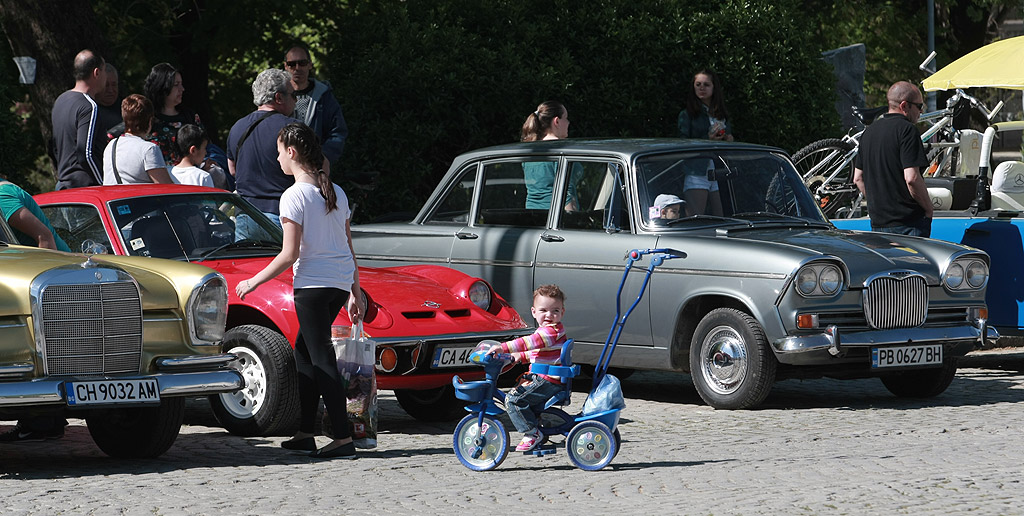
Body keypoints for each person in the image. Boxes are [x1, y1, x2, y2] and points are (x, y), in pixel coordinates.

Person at [235, 122, 364, 460]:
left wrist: (253, 282)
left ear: (291, 153)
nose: (277, 159)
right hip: (337, 284)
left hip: (313, 286)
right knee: (304, 351)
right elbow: (348, 246)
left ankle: (342, 437)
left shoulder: (294, 195)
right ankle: (305, 432)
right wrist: (355, 291)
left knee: (321, 357)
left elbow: (289, 254)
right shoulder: (334, 190)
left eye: (279, 152)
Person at [0, 174, 70, 442]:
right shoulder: (6, 190)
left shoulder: (1, 196)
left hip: (51, 273)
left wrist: (49, 279)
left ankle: (42, 419)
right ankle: (43, 420)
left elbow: (43, 236)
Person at [488, 284, 569, 452]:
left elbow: (531, 342)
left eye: (555, 311)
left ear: (562, 312)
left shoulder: (552, 332)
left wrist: (503, 348)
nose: (549, 315)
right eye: (543, 310)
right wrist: (521, 356)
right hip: (545, 377)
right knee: (520, 393)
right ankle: (537, 425)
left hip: (547, 380)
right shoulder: (548, 331)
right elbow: (540, 351)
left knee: (513, 400)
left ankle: (532, 432)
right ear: (534, 312)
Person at [853, 81, 932, 237]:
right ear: (904, 106)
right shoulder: (907, 130)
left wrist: (879, 206)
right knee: (913, 262)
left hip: (878, 223)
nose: (921, 112)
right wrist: (928, 208)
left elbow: (858, 178)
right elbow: (912, 178)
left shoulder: (868, 133)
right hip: (908, 224)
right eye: (919, 106)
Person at [226, 68, 298, 227]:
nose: (296, 100)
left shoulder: (237, 127)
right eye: (293, 95)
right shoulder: (292, 129)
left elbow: (232, 170)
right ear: (279, 97)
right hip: (283, 215)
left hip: (245, 215)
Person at [284, 44, 348, 167]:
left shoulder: (324, 97)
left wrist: (323, 158)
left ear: (310, 64)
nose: (297, 68)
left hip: (315, 168)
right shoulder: (279, 96)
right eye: (292, 64)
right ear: (286, 66)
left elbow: (338, 132)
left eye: (302, 63)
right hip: (283, 168)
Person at [52, 49, 107, 190]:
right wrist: (103, 183)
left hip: (63, 185)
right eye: (105, 70)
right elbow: (86, 153)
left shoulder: (60, 100)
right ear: (96, 73)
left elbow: (53, 148)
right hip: (85, 188)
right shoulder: (89, 106)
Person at [678, 69, 730, 217]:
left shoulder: (721, 113)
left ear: (714, 88)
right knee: (695, 218)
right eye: (698, 84)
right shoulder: (687, 115)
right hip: (697, 171)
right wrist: (707, 140)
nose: (702, 88)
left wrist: (728, 138)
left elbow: (728, 134)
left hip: (719, 170)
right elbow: (682, 144)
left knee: (723, 217)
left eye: (706, 84)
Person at [521, 101, 581, 210]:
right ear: (556, 121)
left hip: (531, 217)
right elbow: (567, 195)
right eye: (566, 118)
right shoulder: (562, 151)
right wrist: (574, 221)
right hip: (556, 218)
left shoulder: (529, 152)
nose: (568, 123)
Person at [102, 94, 173, 185]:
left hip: (112, 198)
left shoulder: (111, 145)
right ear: (150, 120)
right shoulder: (149, 149)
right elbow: (166, 187)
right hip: (135, 199)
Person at [95, 63, 122, 139]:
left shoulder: (126, 108)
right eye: (106, 85)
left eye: (114, 85)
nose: (110, 90)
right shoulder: (91, 110)